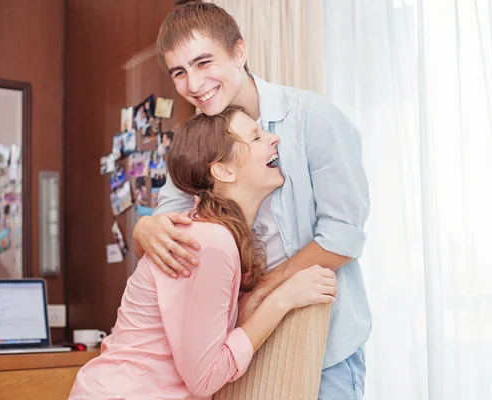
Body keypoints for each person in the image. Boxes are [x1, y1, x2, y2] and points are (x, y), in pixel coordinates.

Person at [133, 2, 371, 398]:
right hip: (242, 343)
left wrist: (265, 289)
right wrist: (144, 227)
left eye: (204, 62)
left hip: (324, 343)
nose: (193, 83)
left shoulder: (314, 118)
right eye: (179, 72)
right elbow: (170, 222)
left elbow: (343, 235)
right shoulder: (199, 140)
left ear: (239, 52)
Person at [69, 106, 337, 400]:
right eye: (256, 137)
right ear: (223, 170)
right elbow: (206, 377)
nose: (274, 138)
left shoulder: (216, 237)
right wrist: (283, 300)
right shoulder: (209, 243)